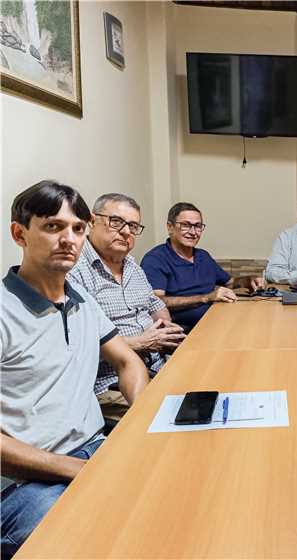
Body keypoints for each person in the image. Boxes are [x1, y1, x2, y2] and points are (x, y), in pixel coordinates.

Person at [1, 181, 149, 556]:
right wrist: (74, 468)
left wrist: (143, 414)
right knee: (93, 535)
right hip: (27, 483)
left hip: (94, 449)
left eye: (78, 229)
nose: (69, 239)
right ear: (20, 233)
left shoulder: (81, 300)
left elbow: (127, 360)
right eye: (53, 226)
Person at [68, 193, 185, 421]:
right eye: (116, 222)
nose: (125, 231)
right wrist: (141, 342)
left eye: (132, 226)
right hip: (111, 385)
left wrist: (166, 327)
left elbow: (155, 302)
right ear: (92, 221)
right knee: (178, 416)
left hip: (158, 364)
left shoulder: (132, 265)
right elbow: (76, 345)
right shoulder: (75, 271)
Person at [141, 202, 264, 330]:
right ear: (170, 227)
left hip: (219, 320)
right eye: (186, 225)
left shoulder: (203, 256)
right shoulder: (155, 259)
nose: (193, 232)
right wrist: (205, 298)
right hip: (187, 331)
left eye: (198, 226)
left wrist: (249, 280)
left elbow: (230, 283)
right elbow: (156, 302)